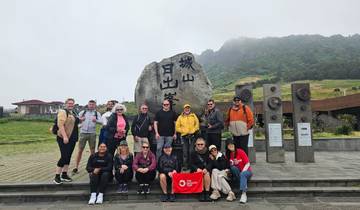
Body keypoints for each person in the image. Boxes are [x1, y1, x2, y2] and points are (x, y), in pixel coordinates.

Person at [53, 98, 79, 184]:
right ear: (65, 104)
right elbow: (60, 125)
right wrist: (64, 137)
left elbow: (73, 123)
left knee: (68, 156)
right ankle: (57, 176)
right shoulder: (63, 112)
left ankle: (64, 174)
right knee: (64, 156)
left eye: (72, 103)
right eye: (69, 103)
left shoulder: (73, 112)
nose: (71, 105)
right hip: (64, 138)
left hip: (72, 138)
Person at [73, 100, 102, 174]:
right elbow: (76, 121)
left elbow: (101, 122)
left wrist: (96, 120)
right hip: (83, 133)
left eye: (93, 104)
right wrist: (80, 124)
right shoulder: (83, 112)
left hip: (92, 133)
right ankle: (76, 167)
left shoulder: (97, 113)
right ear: (88, 105)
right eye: (90, 104)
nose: (91, 105)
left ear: (95, 105)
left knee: (92, 151)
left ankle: (92, 166)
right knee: (80, 150)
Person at [225, 139, 253, 204]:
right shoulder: (228, 155)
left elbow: (247, 163)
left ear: (234, 145)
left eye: (232, 144)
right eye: (229, 145)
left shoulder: (240, 151)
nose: (231, 146)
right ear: (227, 147)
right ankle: (242, 183)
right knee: (233, 168)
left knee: (242, 175)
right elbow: (228, 166)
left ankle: (244, 194)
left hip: (246, 171)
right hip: (236, 173)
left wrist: (243, 172)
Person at [175, 104, 199, 170]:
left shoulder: (193, 116)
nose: (187, 109)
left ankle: (191, 165)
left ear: (190, 109)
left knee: (191, 151)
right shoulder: (180, 117)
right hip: (184, 136)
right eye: (186, 108)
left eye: (188, 108)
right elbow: (177, 127)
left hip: (192, 136)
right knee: (185, 152)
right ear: (184, 109)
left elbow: (197, 124)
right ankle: (185, 165)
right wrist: (183, 131)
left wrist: (193, 130)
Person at [190, 137, 211, 202]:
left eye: (202, 144)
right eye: (198, 144)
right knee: (199, 174)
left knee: (206, 174)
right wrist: (197, 169)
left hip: (205, 169)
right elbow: (190, 164)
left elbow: (210, 162)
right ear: (195, 145)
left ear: (204, 145)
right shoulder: (192, 153)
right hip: (196, 170)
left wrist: (206, 168)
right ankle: (201, 193)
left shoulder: (208, 152)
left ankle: (207, 193)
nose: (200, 145)